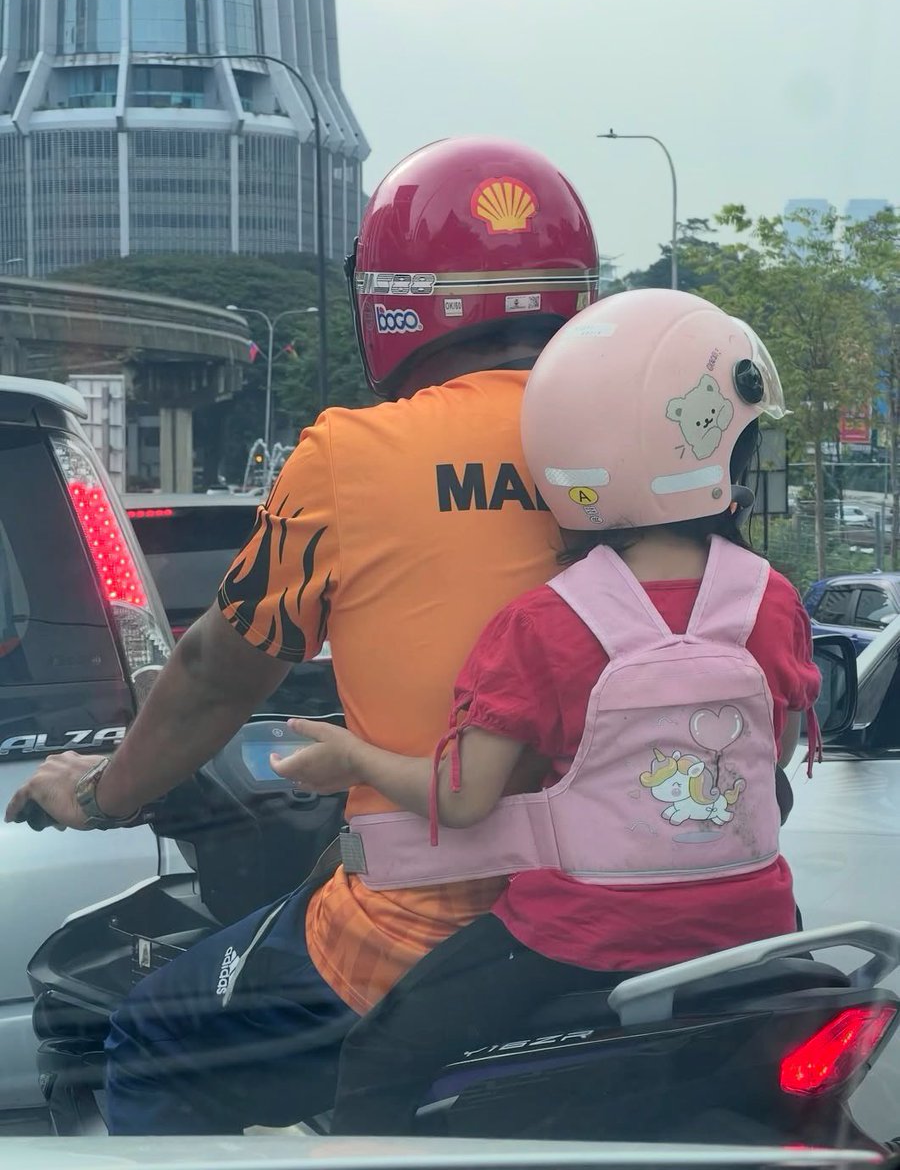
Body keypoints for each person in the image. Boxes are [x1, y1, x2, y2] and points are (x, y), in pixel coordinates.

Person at [5, 135, 600, 1134]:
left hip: (424, 925)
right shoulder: (641, 437)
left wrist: (103, 792)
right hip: (670, 906)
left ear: (395, 300)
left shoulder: (354, 454)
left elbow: (211, 675)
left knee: (152, 1036)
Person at [269, 289, 822, 1135]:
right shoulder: (771, 602)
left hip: (576, 941)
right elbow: (770, 759)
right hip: (755, 935)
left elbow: (462, 802)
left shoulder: (546, 621)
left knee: (379, 1061)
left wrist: (349, 758)